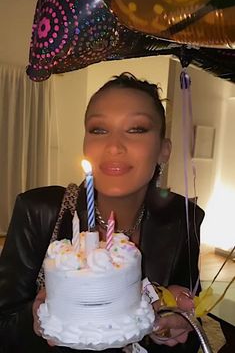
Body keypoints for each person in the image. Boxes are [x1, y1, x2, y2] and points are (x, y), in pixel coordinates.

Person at [0, 72, 204, 353]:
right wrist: (36, 320)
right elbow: (3, 325)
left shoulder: (183, 217)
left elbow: (191, 329)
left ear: (163, 150)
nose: (114, 146)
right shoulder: (39, 210)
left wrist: (172, 326)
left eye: (136, 129)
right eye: (98, 130)